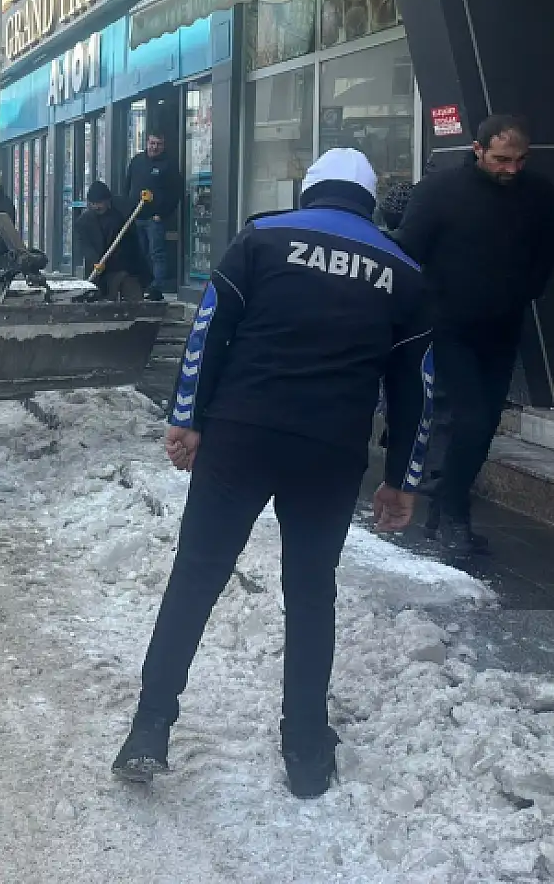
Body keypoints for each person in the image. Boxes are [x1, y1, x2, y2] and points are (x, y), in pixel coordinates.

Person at [113, 148, 433, 798]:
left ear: (309, 191)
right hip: (330, 452)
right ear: (369, 204)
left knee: (197, 576)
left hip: (242, 436)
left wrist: (186, 417)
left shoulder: (262, 238)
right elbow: (415, 389)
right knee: (312, 593)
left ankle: (150, 728)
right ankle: (306, 748)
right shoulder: (403, 272)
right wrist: (402, 478)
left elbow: (209, 331)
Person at [392, 114, 554, 555]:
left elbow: (548, 251)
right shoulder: (439, 192)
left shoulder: (538, 194)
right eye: (502, 159)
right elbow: (408, 250)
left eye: (520, 161)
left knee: (485, 422)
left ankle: (442, 508)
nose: (511, 169)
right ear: (478, 149)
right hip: (446, 326)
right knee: (467, 417)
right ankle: (451, 514)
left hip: (503, 326)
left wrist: (524, 292)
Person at [124, 131, 183, 301]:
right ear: (147, 143)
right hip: (137, 217)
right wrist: (129, 210)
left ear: (163, 145)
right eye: (152, 143)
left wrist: (162, 214)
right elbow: (127, 185)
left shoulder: (168, 165)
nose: (155, 147)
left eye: (159, 144)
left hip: (155, 219)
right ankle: (144, 284)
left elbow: (175, 193)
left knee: (157, 253)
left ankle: (157, 287)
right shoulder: (136, 162)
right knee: (141, 253)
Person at [73, 179, 151, 300]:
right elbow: (84, 245)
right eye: (92, 203)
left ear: (107, 201)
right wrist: (95, 261)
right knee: (99, 296)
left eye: (99, 203)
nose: (96, 207)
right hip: (99, 269)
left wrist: (144, 200)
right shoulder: (83, 222)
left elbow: (138, 210)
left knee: (130, 290)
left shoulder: (121, 212)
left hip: (122, 265)